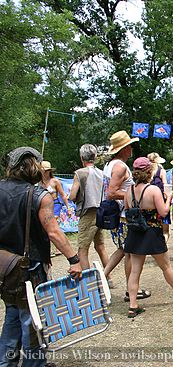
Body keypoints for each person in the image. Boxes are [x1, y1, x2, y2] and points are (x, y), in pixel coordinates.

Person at [0, 147, 82, 366]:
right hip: (29, 267)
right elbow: (53, 231)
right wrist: (74, 260)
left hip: (4, 266)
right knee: (32, 320)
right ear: (31, 165)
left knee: (13, 315)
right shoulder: (39, 195)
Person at [124, 157, 173, 318]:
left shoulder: (129, 191)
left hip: (135, 233)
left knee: (135, 271)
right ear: (149, 172)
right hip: (152, 233)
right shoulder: (153, 190)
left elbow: (127, 212)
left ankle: (133, 305)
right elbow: (163, 212)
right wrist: (169, 199)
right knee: (165, 266)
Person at [101, 131, 150, 301]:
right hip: (123, 216)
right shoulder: (120, 167)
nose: (131, 149)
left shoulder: (110, 165)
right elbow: (112, 192)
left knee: (124, 249)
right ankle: (131, 291)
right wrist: (134, 195)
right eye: (129, 146)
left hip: (119, 215)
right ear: (123, 149)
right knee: (129, 252)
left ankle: (103, 277)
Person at [68, 144, 111, 278]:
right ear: (95, 157)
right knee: (100, 246)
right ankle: (108, 278)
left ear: (82, 158)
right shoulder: (101, 173)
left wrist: (69, 197)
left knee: (83, 249)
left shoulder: (80, 173)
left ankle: (87, 280)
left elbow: (73, 195)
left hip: (88, 214)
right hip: (100, 212)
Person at [147, 152, 170, 243]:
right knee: (165, 230)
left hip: (149, 202)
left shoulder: (146, 171)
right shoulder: (161, 170)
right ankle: (163, 245)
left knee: (152, 226)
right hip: (161, 201)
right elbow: (165, 185)